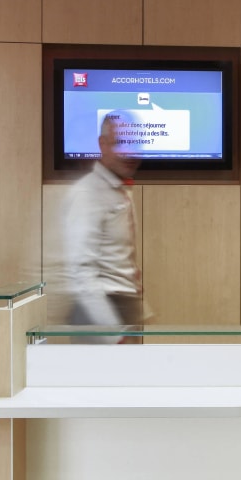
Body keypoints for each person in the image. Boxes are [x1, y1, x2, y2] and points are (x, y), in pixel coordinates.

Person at [57, 113, 147, 336]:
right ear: (102, 144)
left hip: (122, 310)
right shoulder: (87, 194)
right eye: (121, 143)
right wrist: (112, 335)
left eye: (135, 143)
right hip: (102, 315)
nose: (130, 153)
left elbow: (116, 259)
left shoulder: (118, 190)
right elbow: (81, 272)